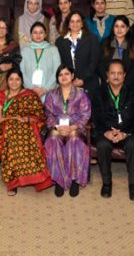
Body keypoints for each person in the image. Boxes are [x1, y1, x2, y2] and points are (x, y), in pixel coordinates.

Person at [0, 69, 52, 196]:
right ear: (7, 81)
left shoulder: (29, 94)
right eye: (11, 79)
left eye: (17, 79)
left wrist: (27, 119)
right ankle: (13, 181)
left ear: (22, 81)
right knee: (12, 136)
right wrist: (13, 119)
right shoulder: (1, 95)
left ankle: (34, 177)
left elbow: (39, 115)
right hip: (5, 127)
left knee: (24, 137)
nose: (14, 82)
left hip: (27, 126)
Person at [91, 60, 134, 201]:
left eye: (119, 73)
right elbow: (96, 116)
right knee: (102, 145)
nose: (116, 76)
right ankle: (107, 183)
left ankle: (133, 184)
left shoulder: (132, 92)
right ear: (107, 75)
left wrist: (123, 132)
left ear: (124, 75)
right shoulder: (98, 92)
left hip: (127, 131)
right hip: (105, 131)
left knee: (132, 145)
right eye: (113, 73)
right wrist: (106, 131)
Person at [44, 65, 91, 197]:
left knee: (74, 139)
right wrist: (57, 127)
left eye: (67, 74)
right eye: (60, 75)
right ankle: (59, 180)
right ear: (57, 78)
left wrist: (72, 128)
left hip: (75, 127)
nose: (64, 77)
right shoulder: (51, 94)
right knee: (53, 139)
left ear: (72, 76)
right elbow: (48, 115)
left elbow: (85, 114)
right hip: (57, 127)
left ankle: (74, 180)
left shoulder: (81, 93)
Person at [55, 11, 101, 96]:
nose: (75, 24)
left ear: (82, 24)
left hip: (89, 82)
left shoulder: (92, 39)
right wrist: (69, 80)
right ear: (68, 24)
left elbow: (94, 62)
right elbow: (60, 64)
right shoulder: (60, 42)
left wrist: (82, 79)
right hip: (68, 84)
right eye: (72, 21)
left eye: (78, 21)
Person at [97, 15, 134, 94]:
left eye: (122, 26)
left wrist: (123, 83)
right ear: (113, 28)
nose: (119, 30)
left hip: (130, 87)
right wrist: (107, 79)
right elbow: (99, 64)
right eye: (116, 26)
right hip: (108, 86)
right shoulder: (105, 43)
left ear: (128, 28)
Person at [20, 22, 61, 101]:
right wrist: (32, 88)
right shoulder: (24, 50)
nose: (38, 35)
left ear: (45, 34)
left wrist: (45, 89)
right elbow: (22, 72)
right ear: (31, 35)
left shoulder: (53, 49)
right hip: (30, 91)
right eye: (35, 32)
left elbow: (57, 71)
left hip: (49, 91)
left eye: (41, 32)